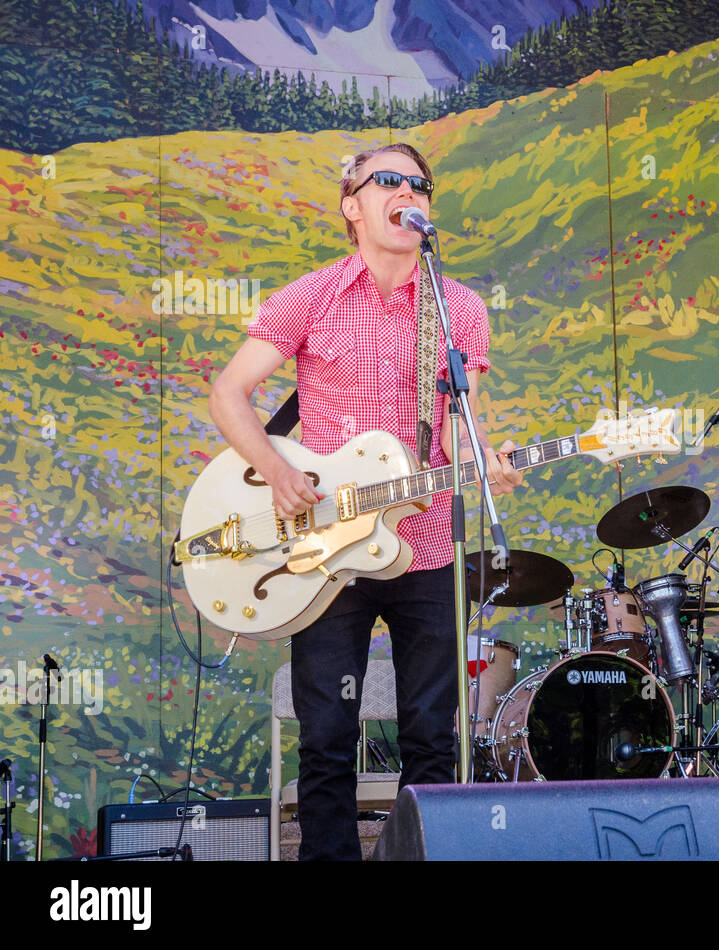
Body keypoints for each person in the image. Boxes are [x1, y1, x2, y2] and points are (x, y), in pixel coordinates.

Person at [209, 142, 523, 860]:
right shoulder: (312, 295)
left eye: (419, 184)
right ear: (352, 205)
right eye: (389, 180)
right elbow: (229, 393)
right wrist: (275, 471)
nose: (408, 191)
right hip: (326, 552)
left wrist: (488, 463)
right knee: (326, 736)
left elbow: (458, 431)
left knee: (429, 739)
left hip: (428, 546)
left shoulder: (458, 309)